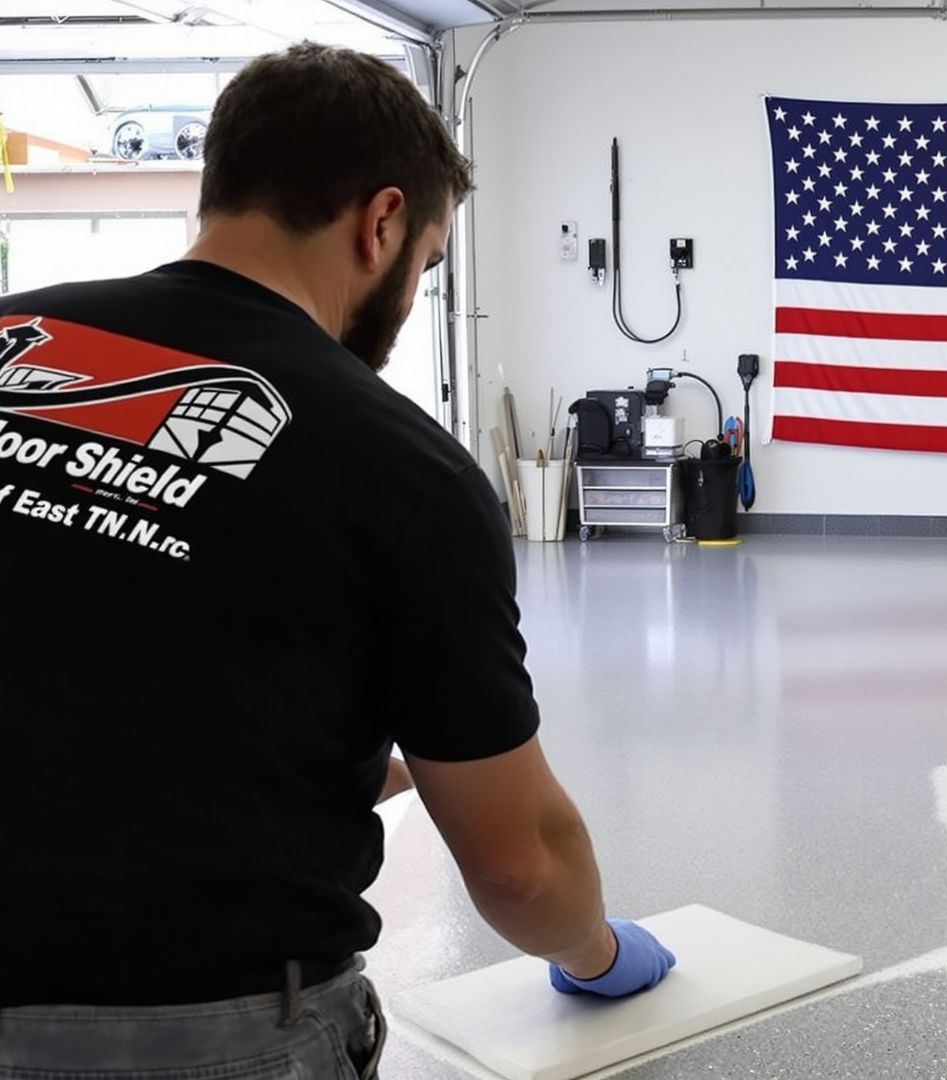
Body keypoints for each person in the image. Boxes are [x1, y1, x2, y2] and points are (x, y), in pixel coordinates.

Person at [0, 43, 674, 1078]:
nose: (413, 296)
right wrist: (596, 953)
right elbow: (521, 867)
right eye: (428, 264)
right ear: (383, 223)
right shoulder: (400, 468)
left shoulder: (15, 338)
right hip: (205, 1029)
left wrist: (315, 765)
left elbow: (91, 619)